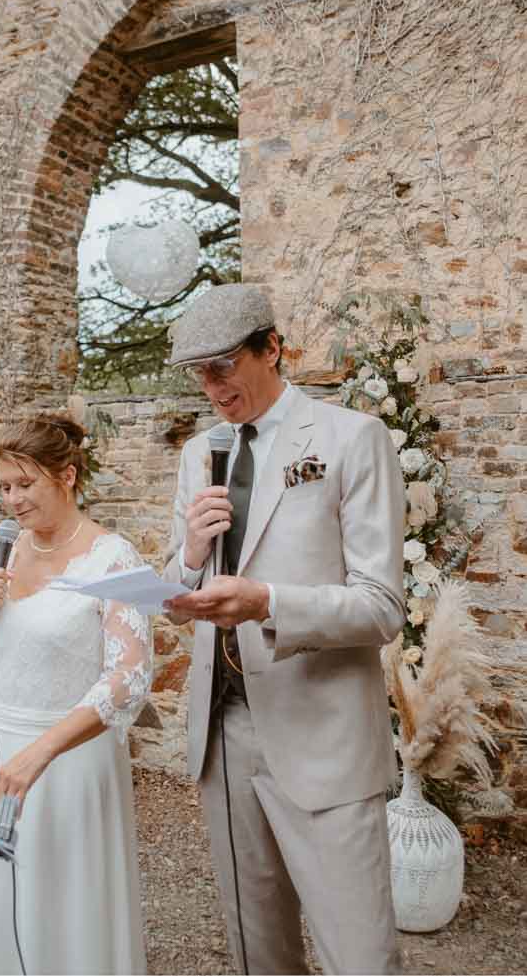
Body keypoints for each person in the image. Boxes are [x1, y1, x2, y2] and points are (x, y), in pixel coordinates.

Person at [161, 283, 405, 974]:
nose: (210, 386)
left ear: (272, 347)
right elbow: (178, 589)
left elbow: (381, 604)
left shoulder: (350, 438)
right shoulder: (198, 455)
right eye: (198, 372)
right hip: (225, 738)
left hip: (322, 733)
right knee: (258, 955)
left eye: (223, 365)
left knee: (358, 957)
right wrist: (187, 560)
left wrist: (268, 601)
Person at [0, 413, 151, 975]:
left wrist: (43, 750)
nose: (12, 500)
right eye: (4, 487)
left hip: (70, 763)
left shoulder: (116, 559)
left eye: (25, 484)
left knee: (63, 912)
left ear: (67, 476)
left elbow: (128, 679)